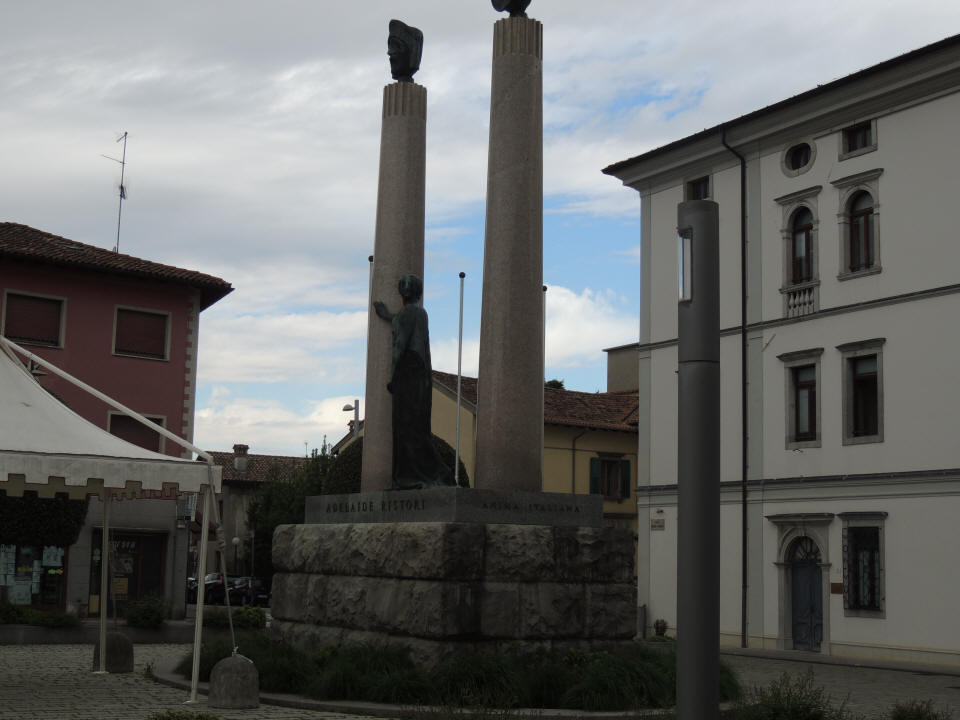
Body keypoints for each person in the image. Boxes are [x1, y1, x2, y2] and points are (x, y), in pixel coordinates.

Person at [374, 275, 455, 490]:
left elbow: (400, 345)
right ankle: (433, 473)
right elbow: (403, 322)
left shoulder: (407, 314)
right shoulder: (421, 313)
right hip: (421, 374)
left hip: (407, 372)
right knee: (418, 428)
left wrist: (392, 377)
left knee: (406, 429)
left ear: (403, 293)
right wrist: (388, 316)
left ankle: (410, 476)